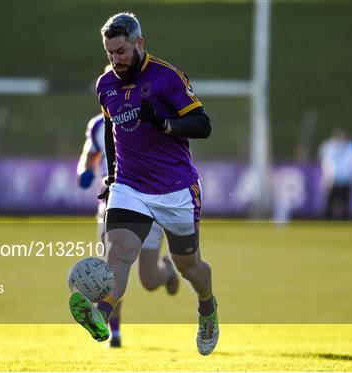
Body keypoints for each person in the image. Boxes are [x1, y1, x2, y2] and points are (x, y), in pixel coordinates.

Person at [69, 13, 219, 356]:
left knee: (189, 267)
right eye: (109, 54)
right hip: (130, 187)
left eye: (120, 51)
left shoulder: (167, 78)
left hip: (176, 188)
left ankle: (207, 308)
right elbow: (109, 129)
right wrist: (112, 177)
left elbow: (203, 125)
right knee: (118, 253)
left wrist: (165, 124)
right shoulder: (105, 84)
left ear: (139, 43)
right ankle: (101, 316)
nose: (115, 60)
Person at [77, 111, 180, 348]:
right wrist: (85, 171)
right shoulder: (96, 125)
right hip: (111, 206)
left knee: (148, 279)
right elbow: (89, 157)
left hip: (149, 204)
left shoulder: (148, 120)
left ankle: (166, 273)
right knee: (110, 268)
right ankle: (114, 331)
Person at [318, 128, 352, 219]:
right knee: (329, 206)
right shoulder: (329, 147)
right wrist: (325, 177)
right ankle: (326, 225)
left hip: (347, 181)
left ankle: (346, 224)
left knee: (346, 206)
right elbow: (323, 160)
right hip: (332, 181)